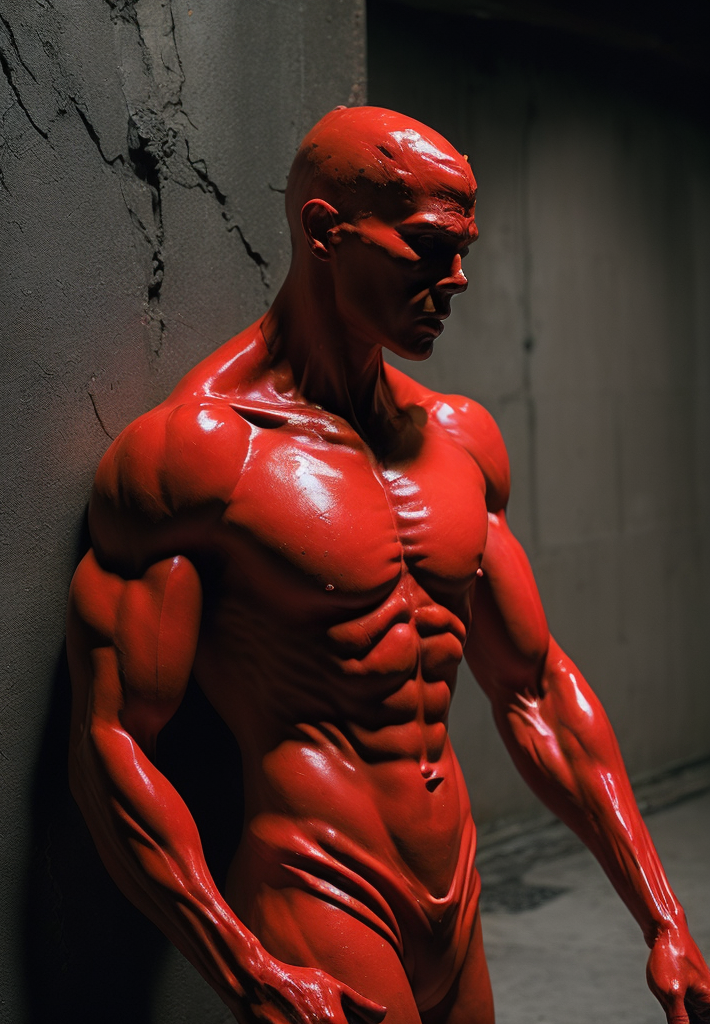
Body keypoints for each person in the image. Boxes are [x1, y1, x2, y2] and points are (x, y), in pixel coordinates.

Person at [67, 106, 710, 1024]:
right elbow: (112, 742)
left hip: (456, 890)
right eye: (427, 248)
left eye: (464, 252)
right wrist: (242, 964)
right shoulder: (201, 458)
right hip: (316, 889)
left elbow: (536, 693)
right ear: (325, 232)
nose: (455, 282)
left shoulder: (462, 442)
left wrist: (662, 915)